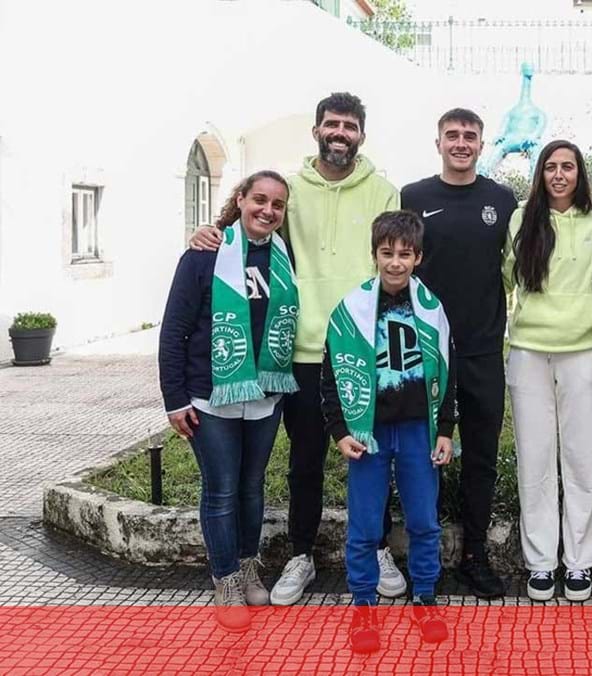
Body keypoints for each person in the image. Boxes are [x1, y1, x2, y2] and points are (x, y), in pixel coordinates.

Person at [191, 93, 405, 606]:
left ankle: (375, 548)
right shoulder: (292, 191)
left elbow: (395, 266)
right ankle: (302, 554)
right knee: (305, 460)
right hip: (301, 352)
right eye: (331, 124)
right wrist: (212, 231)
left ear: (361, 135)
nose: (340, 132)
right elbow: (252, 228)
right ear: (316, 132)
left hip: (361, 351)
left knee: (371, 456)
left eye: (350, 126)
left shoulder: (385, 190)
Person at [159, 171, 298, 632]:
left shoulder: (284, 256)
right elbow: (174, 329)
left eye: (277, 204)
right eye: (259, 199)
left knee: (252, 486)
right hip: (210, 395)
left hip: (264, 394)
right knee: (220, 489)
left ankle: (248, 564)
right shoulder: (204, 254)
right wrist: (174, 399)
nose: (267, 210)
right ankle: (225, 580)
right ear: (240, 200)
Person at [322, 210, 456, 650]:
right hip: (369, 430)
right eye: (387, 253)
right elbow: (331, 375)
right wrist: (340, 430)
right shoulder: (352, 309)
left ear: (418, 257)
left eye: (404, 254)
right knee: (363, 523)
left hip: (419, 428)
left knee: (423, 520)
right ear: (375, 255)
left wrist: (446, 431)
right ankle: (363, 606)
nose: (395, 262)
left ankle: (425, 596)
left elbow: (449, 375)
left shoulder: (433, 309)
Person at [401, 108, 517, 599]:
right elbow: (396, 261)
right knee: (416, 454)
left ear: (482, 143)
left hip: (483, 350)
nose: (462, 143)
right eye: (453, 135)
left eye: (471, 135)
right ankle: (418, 556)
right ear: (439, 142)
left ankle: (475, 554)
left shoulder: (501, 200)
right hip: (423, 352)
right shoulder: (413, 197)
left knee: (482, 457)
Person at [503, 140, 592, 602]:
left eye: (568, 167)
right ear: (541, 174)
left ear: (580, 173)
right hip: (528, 350)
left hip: (583, 348)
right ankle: (541, 563)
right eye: (551, 167)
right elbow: (508, 276)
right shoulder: (523, 216)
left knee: (582, 458)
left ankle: (579, 562)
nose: (560, 174)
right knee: (536, 458)